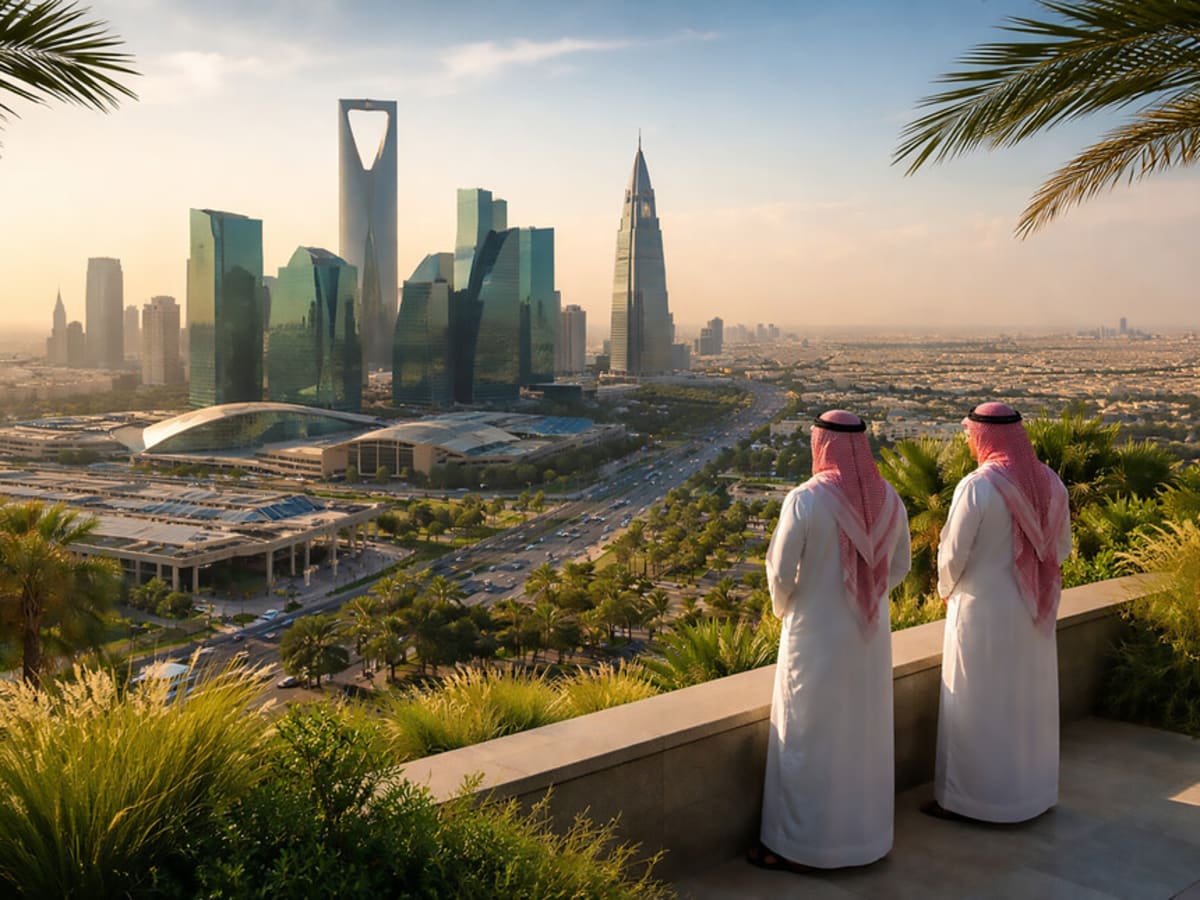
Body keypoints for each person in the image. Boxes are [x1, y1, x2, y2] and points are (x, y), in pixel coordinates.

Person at [750, 410, 911, 872]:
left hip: (815, 636)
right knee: (862, 733)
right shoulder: (889, 499)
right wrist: (868, 598)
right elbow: (900, 566)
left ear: (821, 444)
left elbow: (780, 572)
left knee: (808, 734)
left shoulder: (806, 499)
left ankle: (800, 847)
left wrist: (789, 608)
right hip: (869, 637)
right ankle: (864, 842)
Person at [926, 402, 1071, 823]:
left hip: (981, 613)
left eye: (970, 435)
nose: (969, 443)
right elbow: (1061, 549)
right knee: (1026, 705)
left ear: (985, 436)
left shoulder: (979, 486)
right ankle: (1030, 796)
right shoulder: (1050, 483)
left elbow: (952, 554)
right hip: (1035, 612)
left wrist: (945, 589)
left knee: (977, 703)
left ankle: (969, 802)